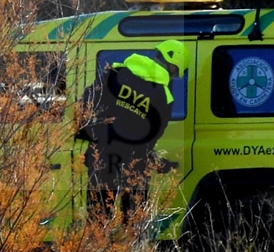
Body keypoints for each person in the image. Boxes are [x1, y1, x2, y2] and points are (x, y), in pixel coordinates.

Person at [77, 40, 191, 220]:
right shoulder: (165, 96)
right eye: (176, 74)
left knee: (98, 216)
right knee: (134, 219)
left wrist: (90, 133)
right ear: (172, 66)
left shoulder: (115, 72)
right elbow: (153, 135)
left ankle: (97, 248)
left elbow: (85, 103)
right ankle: (130, 248)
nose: (173, 78)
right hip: (134, 163)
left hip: (102, 155)